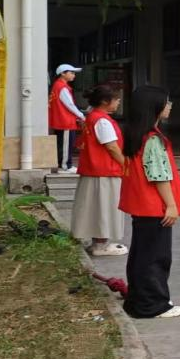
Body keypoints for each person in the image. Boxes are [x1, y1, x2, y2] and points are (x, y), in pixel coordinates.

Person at [118, 86, 180, 319]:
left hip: (141, 207)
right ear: (154, 107)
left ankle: (138, 300)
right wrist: (171, 205)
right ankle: (153, 305)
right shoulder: (152, 140)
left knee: (141, 255)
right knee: (156, 258)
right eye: (166, 102)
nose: (170, 106)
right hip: (154, 207)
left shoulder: (135, 135)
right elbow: (159, 176)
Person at [72, 85, 128, 257]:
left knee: (95, 207)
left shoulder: (92, 117)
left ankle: (97, 243)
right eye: (116, 99)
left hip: (94, 170)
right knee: (105, 208)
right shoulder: (102, 121)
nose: (118, 102)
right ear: (105, 101)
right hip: (105, 171)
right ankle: (101, 245)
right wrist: (126, 165)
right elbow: (111, 147)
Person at [48, 64, 85, 173]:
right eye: (71, 73)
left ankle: (64, 165)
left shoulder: (58, 85)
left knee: (63, 144)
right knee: (66, 144)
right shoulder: (62, 87)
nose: (74, 75)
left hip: (62, 120)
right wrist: (81, 115)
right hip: (65, 121)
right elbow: (69, 104)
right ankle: (65, 166)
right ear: (63, 73)